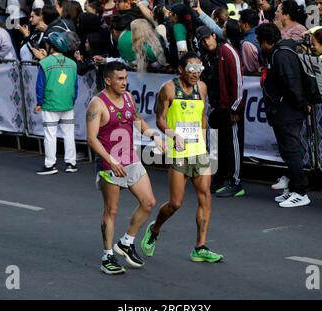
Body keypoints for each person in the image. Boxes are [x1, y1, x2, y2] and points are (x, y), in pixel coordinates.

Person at [140, 52, 223, 263]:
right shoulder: (168, 89)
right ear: (180, 70)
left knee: (205, 196)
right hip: (178, 152)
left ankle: (200, 247)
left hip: (198, 150)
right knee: (176, 203)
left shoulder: (201, 88)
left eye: (199, 69)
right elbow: (159, 119)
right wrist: (171, 134)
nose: (196, 74)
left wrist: (205, 142)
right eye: (191, 69)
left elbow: (203, 115)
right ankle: (155, 229)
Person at [86, 61, 165, 275]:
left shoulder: (129, 98)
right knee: (111, 211)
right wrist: (111, 160)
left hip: (131, 159)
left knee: (148, 202)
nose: (124, 82)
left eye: (126, 78)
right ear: (108, 80)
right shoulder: (97, 104)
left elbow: (137, 121)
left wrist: (155, 137)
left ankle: (126, 242)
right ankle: (107, 256)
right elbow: (92, 139)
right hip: (109, 164)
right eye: (120, 79)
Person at [256, 22, 311, 208]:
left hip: (288, 112)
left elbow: (291, 83)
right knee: (288, 151)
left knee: (291, 151)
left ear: (265, 41)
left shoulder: (281, 55)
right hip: (285, 111)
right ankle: (295, 188)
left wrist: (301, 104)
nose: (258, 45)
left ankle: (301, 192)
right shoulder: (281, 53)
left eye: (259, 41)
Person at [196, 25, 245, 197]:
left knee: (233, 145)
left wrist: (235, 108)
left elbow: (238, 81)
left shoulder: (227, 51)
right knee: (218, 145)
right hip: (215, 107)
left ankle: (236, 182)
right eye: (202, 40)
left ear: (213, 36)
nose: (206, 42)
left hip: (230, 107)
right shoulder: (205, 57)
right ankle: (220, 178)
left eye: (207, 38)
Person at [35, 32, 78, 175]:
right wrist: (72, 100)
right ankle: (71, 163)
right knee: (69, 134)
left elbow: (40, 85)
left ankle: (50, 165)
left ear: (50, 47)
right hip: (67, 103)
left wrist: (40, 102)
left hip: (50, 104)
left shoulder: (45, 63)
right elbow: (75, 86)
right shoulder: (72, 64)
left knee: (50, 134)